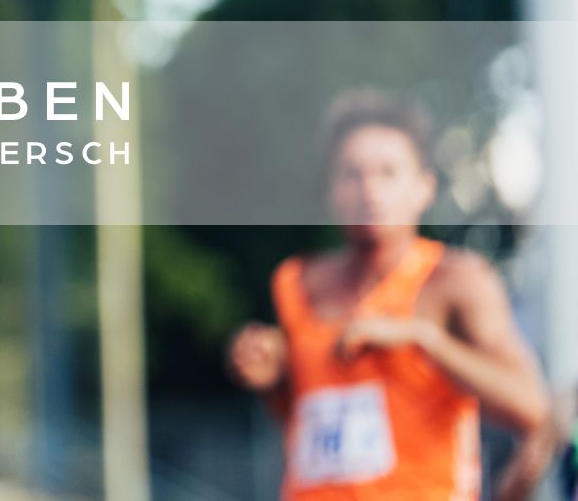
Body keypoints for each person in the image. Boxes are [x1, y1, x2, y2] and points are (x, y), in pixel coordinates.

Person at [226, 90, 549, 501]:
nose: (369, 190)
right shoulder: (295, 282)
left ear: (424, 188)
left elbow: (530, 406)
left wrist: (424, 339)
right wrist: (272, 378)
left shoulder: (454, 281)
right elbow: (304, 422)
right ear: (330, 191)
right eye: (352, 174)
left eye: (387, 173)